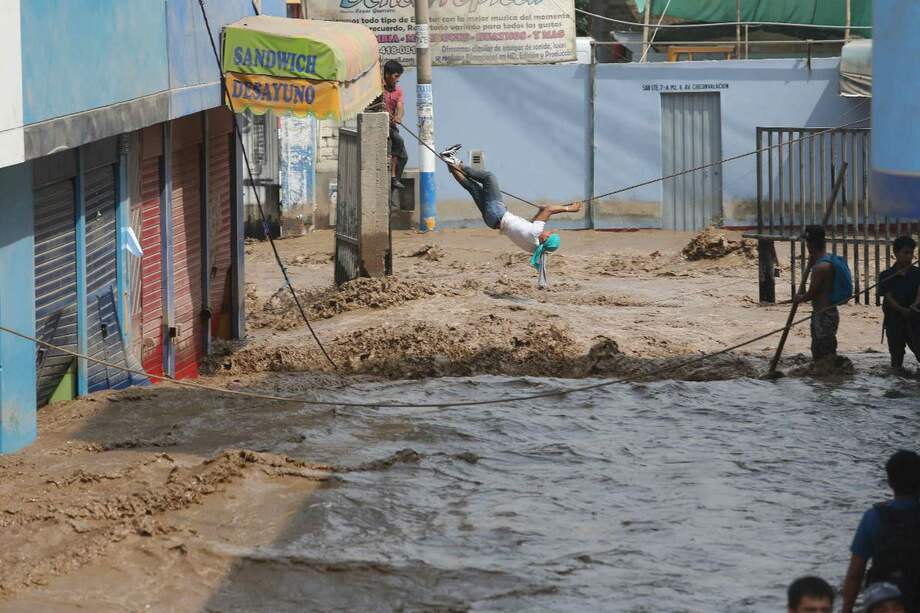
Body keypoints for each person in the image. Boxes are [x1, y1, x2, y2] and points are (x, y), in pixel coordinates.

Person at [440, 145, 579, 279]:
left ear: (546, 239)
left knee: (488, 178)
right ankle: (449, 160)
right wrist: (540, 212)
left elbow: (549, 210)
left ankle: (458, 163)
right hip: (492, 221)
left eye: (550, 234)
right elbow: (533, 222)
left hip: (498, 213)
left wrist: (570, 209)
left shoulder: (535, 233)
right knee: (473, 188)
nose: (550, 231)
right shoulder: (534, 245)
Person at [841, 450, 920, 613]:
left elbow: (855, 574)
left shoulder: (873, 517)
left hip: (882, 603)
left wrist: (846, 609)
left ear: (890, 482)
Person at [794, 226, 848, 362]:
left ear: (810, 244)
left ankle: (829, 380)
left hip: (824, 315)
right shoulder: (827, 260)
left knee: (825, 353)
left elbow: (812, 293)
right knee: (819, 352)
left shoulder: (820, 268)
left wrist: (800, 298)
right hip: (825, 313)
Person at [877, 235, 920, 374]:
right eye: (905, 253)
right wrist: (902, 310)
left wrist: (914, 304)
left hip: (915, 320)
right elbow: (888, 298)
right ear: (896, 253)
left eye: (911, 253)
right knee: (896, 358)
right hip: (894, 320)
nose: (909, 256)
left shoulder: (917, 273)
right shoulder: (887, 275)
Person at [382, 59, 408, 190]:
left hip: (392, 126)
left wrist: (398, 116)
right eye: (395, 76)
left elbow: (400, 106)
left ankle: (395, 180)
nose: (397, 79)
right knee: (398, 141)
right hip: (381, 126)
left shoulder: (398, 91)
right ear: (387, 75)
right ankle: (392, 177)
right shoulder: (378, 89)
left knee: (404, 157)